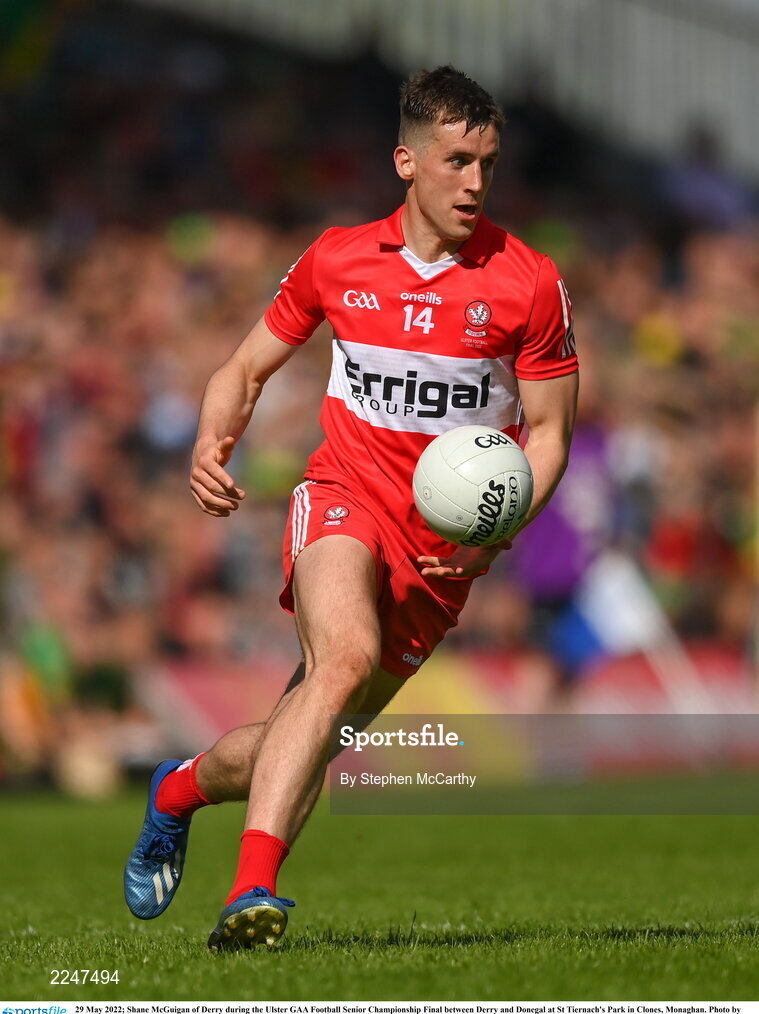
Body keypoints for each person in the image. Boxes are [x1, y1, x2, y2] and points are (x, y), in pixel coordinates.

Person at [124, 65, 579, 951]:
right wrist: (211, 442)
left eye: (487, 162)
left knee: (307, 738)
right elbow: (243, 368)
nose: (475, 183)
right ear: (406, 161)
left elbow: (551, 435)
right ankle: (250, 894)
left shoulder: (530, 283)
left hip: (441, 550)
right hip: (343, 494)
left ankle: (177, 788)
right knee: (343, 661)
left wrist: (498, 534)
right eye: (456, 161)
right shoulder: (337, 258)